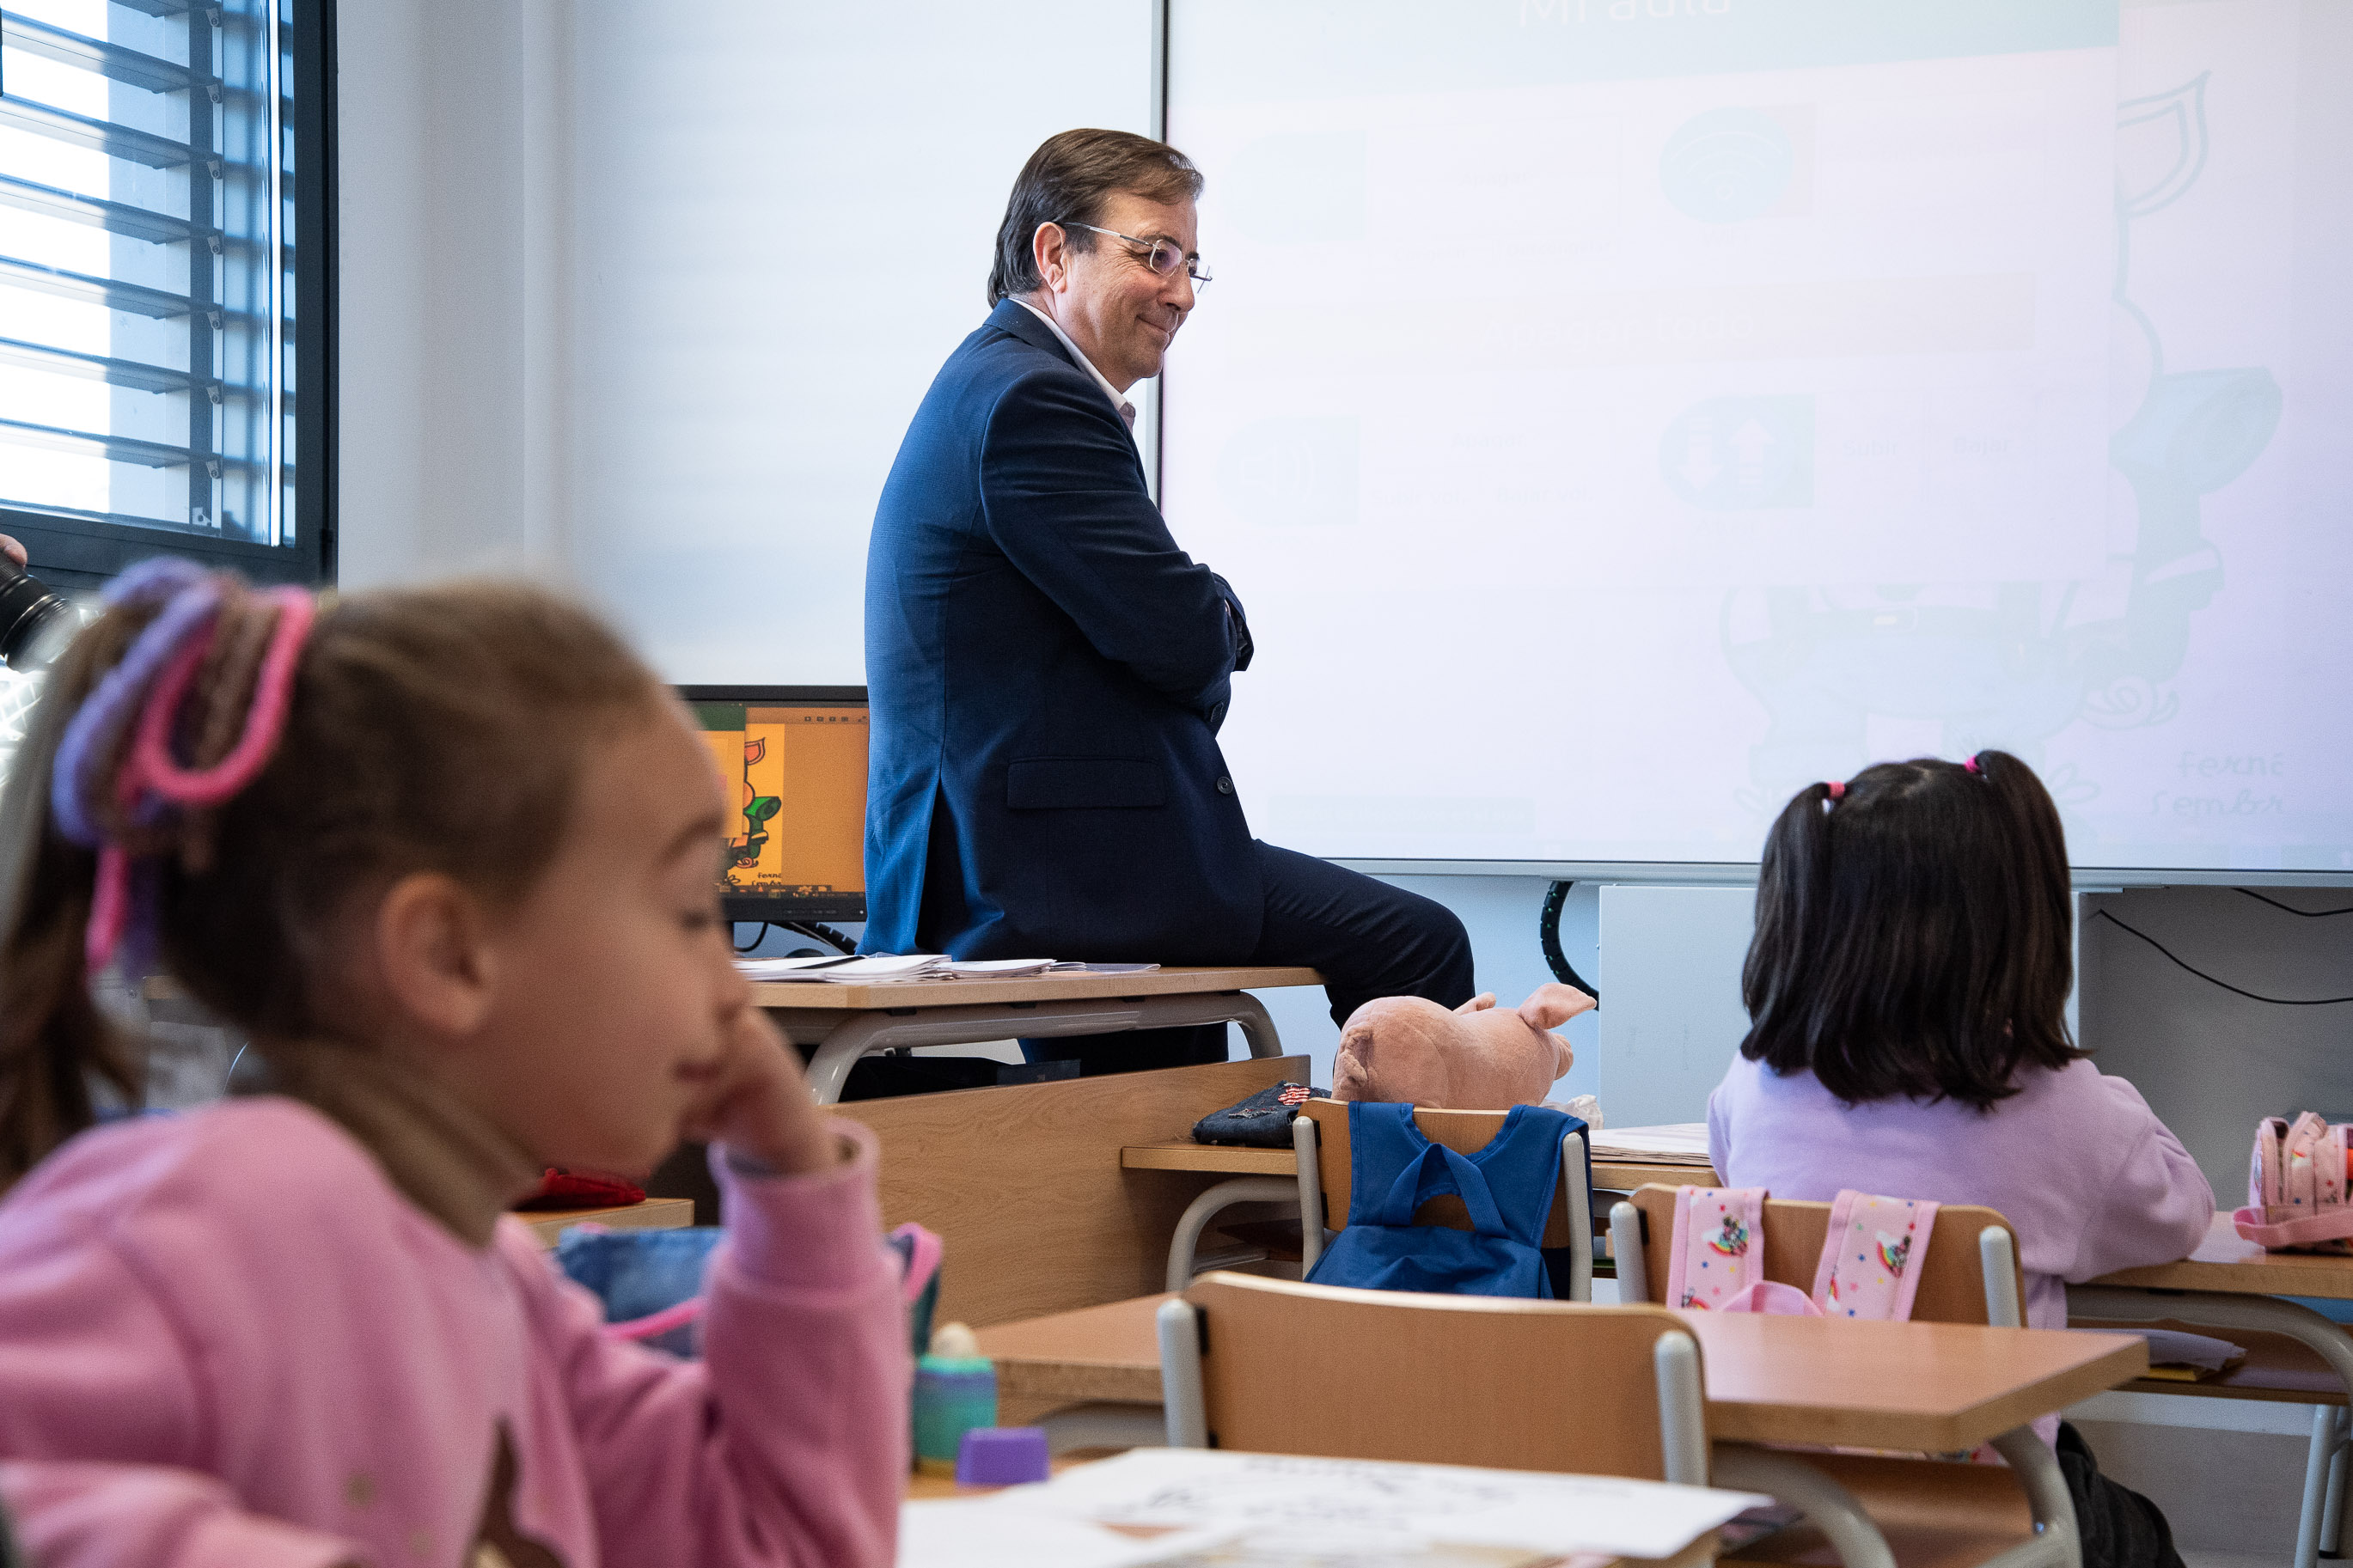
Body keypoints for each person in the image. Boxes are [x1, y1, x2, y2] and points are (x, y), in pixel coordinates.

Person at [0, 563, 907, 1566]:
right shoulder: (207, 1215)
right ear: (446, 955)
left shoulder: (497, 1285)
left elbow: (780, 1545)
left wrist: (794, 1187)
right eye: (690, 910)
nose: (736, 989)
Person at [864, 128, 1474, 1073]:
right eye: (1152, 255)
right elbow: (1179, 637)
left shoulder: (998, 380)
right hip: (1053, 872)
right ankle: (1414, 1218)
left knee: (1183, 1082)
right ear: (1053, 252)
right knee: (1416, 944)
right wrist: (1218, 611)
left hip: (1059, 853)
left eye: (1189, 263)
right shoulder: (1034, 400)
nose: (1180, 291)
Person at [1708, 751, 2212, 1568]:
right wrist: (2098, 1084)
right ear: (2017, 920)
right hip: (1982, 1498)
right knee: (2134, 1532)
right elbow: (2180, 1215)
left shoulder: (1754, 1081)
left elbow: (1731, 1183)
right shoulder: (2059, 1100)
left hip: (1775, 1496)